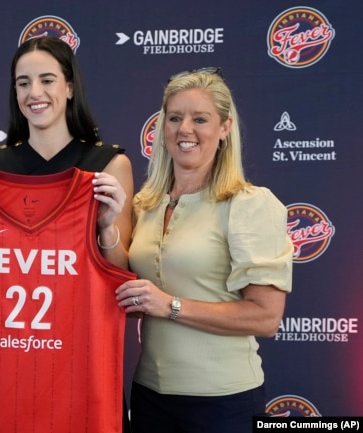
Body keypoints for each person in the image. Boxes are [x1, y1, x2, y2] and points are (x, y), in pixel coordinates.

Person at [0, 36, 134, 432]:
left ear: (70, 87)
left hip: (78, 366)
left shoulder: (108, 165)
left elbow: (120, 273)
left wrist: (107, 227)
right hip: (2, 366)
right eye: (23, 82)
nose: (35, 93)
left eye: (47, 79)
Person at [115, 67, 293, 433]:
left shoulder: (249, 204)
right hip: (149, 394)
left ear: (225, 128)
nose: (185, 130)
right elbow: (129, 297)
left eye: (200, 119)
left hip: (223, 402)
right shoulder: (145, 205)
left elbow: (266, 317)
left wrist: (170, 305)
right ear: (162, 127)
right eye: (175, 118)